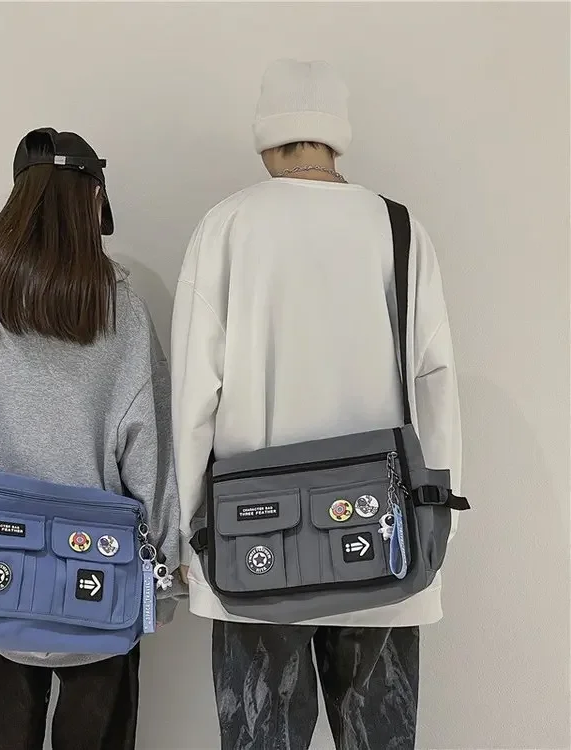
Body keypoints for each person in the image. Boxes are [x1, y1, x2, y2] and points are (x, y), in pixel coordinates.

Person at [171, 60, 463, 750]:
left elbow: (192, 396)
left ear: (267, 138)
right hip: (384, 540)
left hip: (253, 544)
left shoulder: (227, 225)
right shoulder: (399, 228)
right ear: (336, 137)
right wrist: (439, 521)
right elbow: (437, 384)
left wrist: (187, 532)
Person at [0, 128, 182, 750]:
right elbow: (149, 454)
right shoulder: (120, 309)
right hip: (98, 585)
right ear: (92, 200)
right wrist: (164, 576)